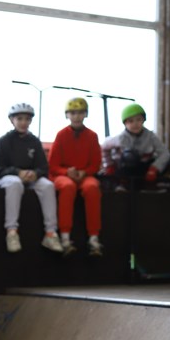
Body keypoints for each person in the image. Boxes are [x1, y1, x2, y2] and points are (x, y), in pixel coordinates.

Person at [0, 103, 62, 254]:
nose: (23, 122)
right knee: (15, 183)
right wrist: (17, 172)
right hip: (9, 179)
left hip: (31, 179)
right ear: (12, 120)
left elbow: (43, 167)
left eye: (27, 119)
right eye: (19, 119)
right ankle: (12, 232)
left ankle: (51, 234)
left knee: (48, 186)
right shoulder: (3, 142)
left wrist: (35, 174)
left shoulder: (34, 141)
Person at [48, 97, 103, 256]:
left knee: (92, 187)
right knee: (67, 186)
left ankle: (94, 238)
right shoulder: (61, 135)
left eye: (80, 112)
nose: (77, 116)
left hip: (85, 175)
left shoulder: (92, 136)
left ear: (86, 114)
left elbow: (96, 164)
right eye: (72, 113)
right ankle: (65, 238)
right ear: (67, 115)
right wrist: (67, 172)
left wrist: (85, 172)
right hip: (63, 175)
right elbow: (53, 165)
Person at [101, 103, 170, 190]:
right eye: (131, 121)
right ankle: (122, 185)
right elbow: (104, 147)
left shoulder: (151, 136)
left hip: (145, 168)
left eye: (138, 119)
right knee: (129, 156)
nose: (135, 124)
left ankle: (151, 186)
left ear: (143, 120)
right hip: (125, 169)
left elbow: (164, 153)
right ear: (125, 123)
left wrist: (154, 168)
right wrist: (109, 165)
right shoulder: (120, 138)